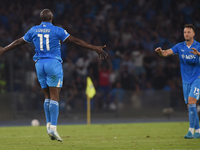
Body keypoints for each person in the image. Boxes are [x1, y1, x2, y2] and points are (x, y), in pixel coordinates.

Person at [0, 9, 108, 142]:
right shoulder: (57, 30)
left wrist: (4, 49)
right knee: (55, 96)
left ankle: (48, 126)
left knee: (47, 96)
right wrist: (94, 47)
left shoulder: (34, 30)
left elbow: (18, 42)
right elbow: (76, 41)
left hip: (39, 65)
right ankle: (54, 128)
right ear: (51, 17)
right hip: (53, 64)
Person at [155, 24, 200, 139]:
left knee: (191, 101)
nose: (186, 34)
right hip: (185, 81)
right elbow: (166, 53)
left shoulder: (198, 46)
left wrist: (199, 54)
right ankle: (198, 131)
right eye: (185, 32)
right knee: (190, 105)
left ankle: (190, 131)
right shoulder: (180, 46)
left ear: (194, 34)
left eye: (189, 32)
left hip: (197, 79)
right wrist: (160, 52)